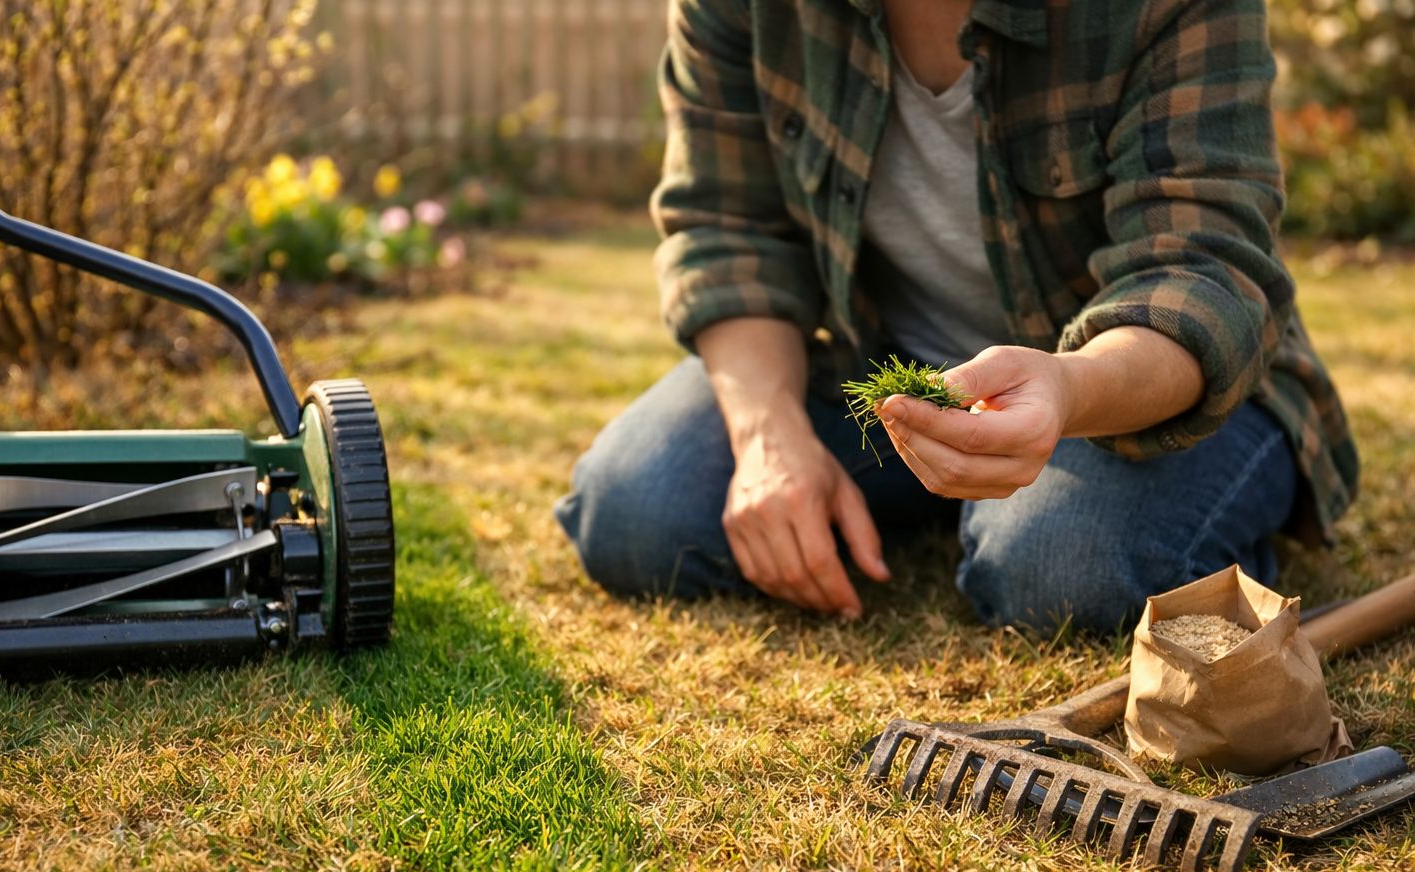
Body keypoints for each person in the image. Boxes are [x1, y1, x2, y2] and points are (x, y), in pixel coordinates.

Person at [555, 0, 1359, 632]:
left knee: (1055, 571)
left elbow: (1198, 269)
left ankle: (1054, 518)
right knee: (636, 512)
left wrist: (1066, 392)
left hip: (1136, 382)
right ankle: (958, 499)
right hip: (892, 366)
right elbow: (730, 233)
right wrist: (771, 438)